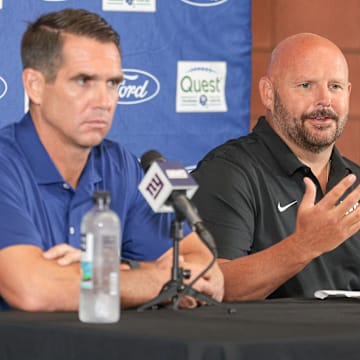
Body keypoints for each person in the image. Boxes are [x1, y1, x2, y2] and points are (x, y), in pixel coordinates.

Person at [0, 8, 223, 311]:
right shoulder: (5, 164)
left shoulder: (119, 165)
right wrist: (145, 279)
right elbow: (33, 289)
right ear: (35, 86)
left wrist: (98, 271)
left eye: (113, 83)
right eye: (83, 81)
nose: (103, 101)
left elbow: (207, 272)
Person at [192, 33, 360, 301]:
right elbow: (210, 286)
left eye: (335, 87)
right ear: (269, 94)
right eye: (306, 85)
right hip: (271, 343)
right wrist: (304, 246)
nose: (325, 100)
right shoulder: (228, 172)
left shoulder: (355, 182)